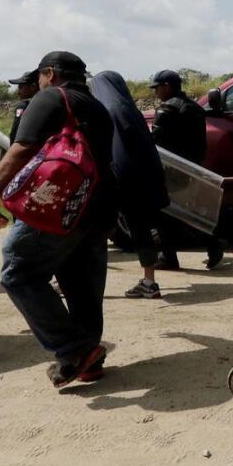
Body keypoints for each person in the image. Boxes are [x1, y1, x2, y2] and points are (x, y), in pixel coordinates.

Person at [0, 51, 115, 388]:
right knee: (82, 284)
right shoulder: (97, 107)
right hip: (101, 206)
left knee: (19, 273)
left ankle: (74, 350)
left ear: (49, 73)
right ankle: (87, 360)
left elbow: (20, 149)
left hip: (59, 206)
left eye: (39, 77)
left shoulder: (51, 96)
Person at [91, 72, 171, 300]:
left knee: (92, 230)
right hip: (142, 180)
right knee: (141, 229)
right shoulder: (130, 111)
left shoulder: (109, 111)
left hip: (119, 181)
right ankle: (149, 281)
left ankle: (75, 282)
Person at [147, 69, 224, 271]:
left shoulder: (166, 111)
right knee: (183, 212)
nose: (156, 93)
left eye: (158, 88)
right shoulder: (195, 109)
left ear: (167, 87)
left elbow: (155, 142)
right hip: (192, 168)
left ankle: (171, 255)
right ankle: (211, 242)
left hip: (171, 170)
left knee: (163, 212)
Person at [6, 70, 39, 146]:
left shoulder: (24, 105)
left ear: (33, 86)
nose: (18, 92)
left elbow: (15, 131)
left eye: (21, 87)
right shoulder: (49, 103)